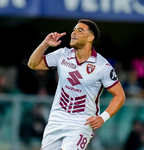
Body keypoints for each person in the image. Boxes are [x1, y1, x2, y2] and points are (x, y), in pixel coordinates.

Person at [27, 19, 125, 150]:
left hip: (82, 122)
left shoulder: (103, 66)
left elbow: (119, 95)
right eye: (74, 30)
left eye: (80, 30)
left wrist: (103, 117)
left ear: (90, 37)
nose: (74, 33)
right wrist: (45, 44)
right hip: (56, 118)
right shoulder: (62, 54)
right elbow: (33, 64)